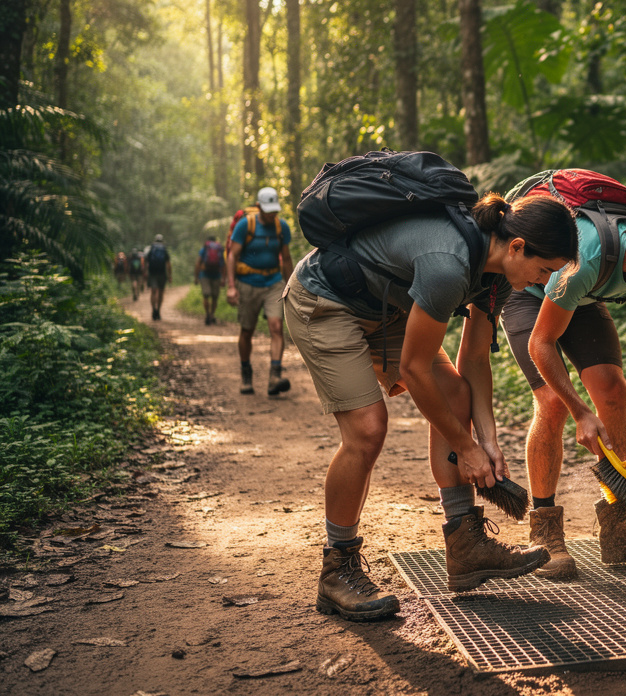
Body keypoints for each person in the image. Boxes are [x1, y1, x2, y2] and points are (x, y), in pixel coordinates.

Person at [284, 192, 579, 620]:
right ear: (517, 247)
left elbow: (475, 359)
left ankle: (466, 548)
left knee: (456, 393)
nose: (541, 282)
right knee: (367, 429)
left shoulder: (496, 274)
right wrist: (466, 446)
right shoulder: (449, 265)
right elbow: (414, 368)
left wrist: (488, 441)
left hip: (385, 307)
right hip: (326, 302)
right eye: (544, 270)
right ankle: (337, 569)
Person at [501, 191, 626, 579]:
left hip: (581, 298)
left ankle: (618, 524)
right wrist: (581, 413)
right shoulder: (589, 258)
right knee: (553, 402)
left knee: (612, 390)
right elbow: (540, 343)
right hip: (530, 291)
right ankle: (545, 528)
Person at [225, 187, 295, 396]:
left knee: (276, 327)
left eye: (274, 210)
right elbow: (232, 256)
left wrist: (290, 285)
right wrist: (231, 286)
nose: (272, 214)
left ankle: (275, 376)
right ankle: (246, 373)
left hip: (273, 281)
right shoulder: (245, 225)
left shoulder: (281, 227)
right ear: (258, 207)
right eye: (268, 210)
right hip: (248, 283)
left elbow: (287, 257)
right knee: (247, 330)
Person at [196, 235, 225, 325]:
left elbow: (198, 263)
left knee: (206, 296)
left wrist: (196, 277)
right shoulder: (219, 249)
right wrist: (224, 278)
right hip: (217, 275)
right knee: (214, 297)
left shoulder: (204, 249)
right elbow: (224, 264)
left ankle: (207, 314)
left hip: (204, 275)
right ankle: (212, 315)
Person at [144, 235, 172, 321]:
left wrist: (145, 272)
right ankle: (158, 311)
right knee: (160, 292)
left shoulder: (152, 249)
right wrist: (170, 275)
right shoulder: (164, 249)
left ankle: (153, 310)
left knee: (153, 292)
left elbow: (146, 262)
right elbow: (168, 264)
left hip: (152, 273)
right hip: (162, 274)